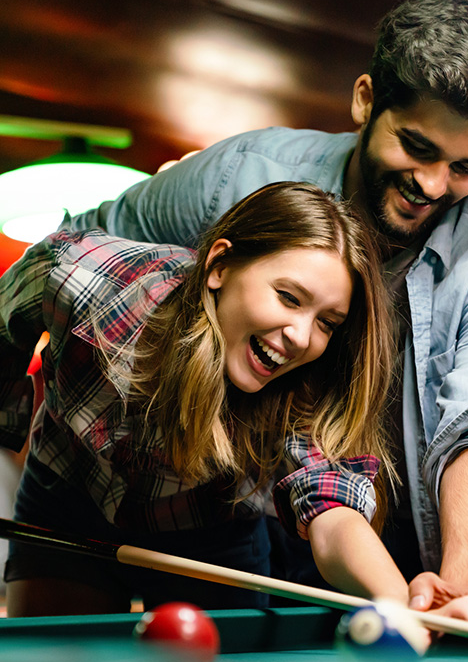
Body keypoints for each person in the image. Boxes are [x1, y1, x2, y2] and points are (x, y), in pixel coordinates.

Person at [64, 0, 468, 640]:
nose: (435, 186)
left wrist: (458, 594)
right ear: (365, 100)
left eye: (467, 167)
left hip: (380, 556)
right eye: (418, 147)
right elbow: (92, 242)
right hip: (216, 512)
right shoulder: (245, 173)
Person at [2, 184, 436, 629]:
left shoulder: (305, 383)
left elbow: (333, 511)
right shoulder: (80, 277)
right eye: (289, 297)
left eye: (326, 322)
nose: (302, 337)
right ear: (219, 265)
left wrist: (402, 605)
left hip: (212, 538)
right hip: (65, 503)